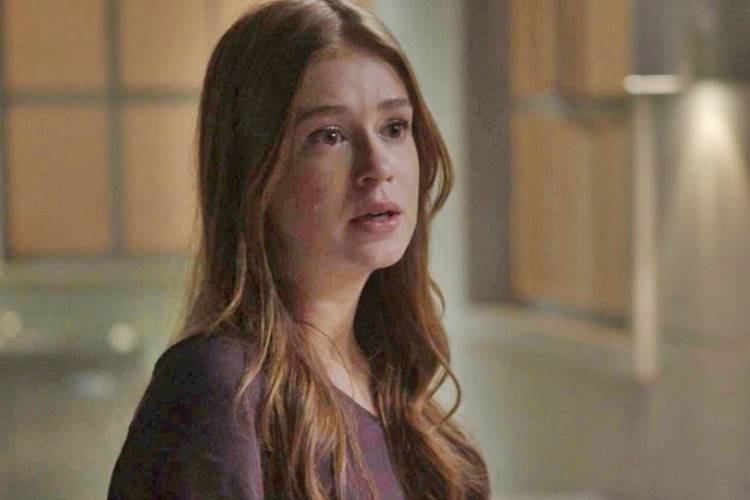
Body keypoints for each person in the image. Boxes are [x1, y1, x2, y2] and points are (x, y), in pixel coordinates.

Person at [107, 0, 491, 498]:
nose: (378, 167)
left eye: (394, 128)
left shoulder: (409, 407)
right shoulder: (221, 391)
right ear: (254, 173)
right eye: (329, 136)